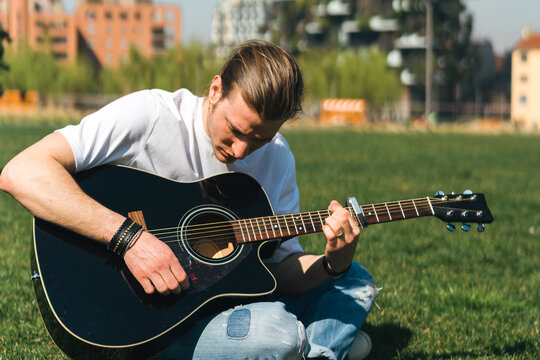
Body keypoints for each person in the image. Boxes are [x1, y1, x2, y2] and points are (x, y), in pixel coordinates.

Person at [0, 40, 376, 360]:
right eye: (235, 130)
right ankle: (314, 343)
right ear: (215, 90)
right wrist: (129, 238)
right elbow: (22, 172)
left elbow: (276, 270)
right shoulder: (149, 116)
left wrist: (332, 264)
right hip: (142, 314)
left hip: (217, 305)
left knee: (355, 281)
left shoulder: (277, 157)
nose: (242, 150)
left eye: (259, 138)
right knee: (281, 335)